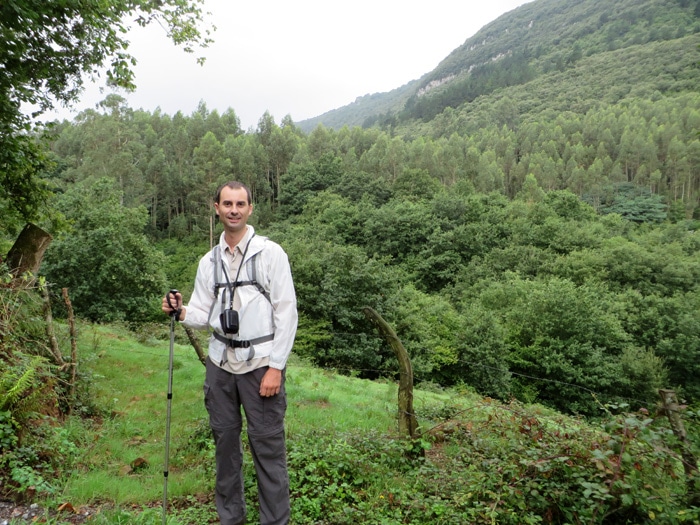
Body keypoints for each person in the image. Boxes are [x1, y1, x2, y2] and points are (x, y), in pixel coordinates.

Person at [162, 181, 298, 525]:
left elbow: (287, 312)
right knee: (225, 448)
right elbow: (202, 314)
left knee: (267, 450)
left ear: (250, 209)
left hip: (260, 366)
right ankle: (231, 520)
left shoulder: (270, 253)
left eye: (240, 203)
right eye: (227, 204)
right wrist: (179, 311)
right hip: (220, 365)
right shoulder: (208, 261)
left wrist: (276, 368)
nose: (233, 209)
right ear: (216, 208)